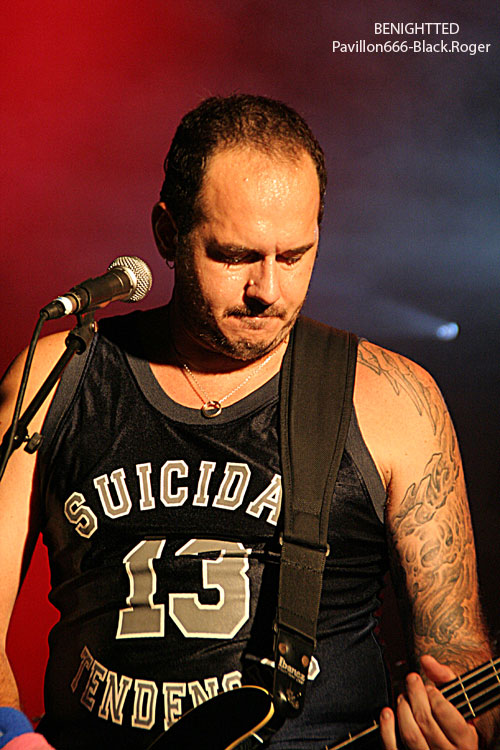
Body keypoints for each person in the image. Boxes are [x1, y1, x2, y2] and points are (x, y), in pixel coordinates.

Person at [0, 94, 497, 750]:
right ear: (167, 234)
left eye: (294, 256)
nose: (268, 290)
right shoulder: (56, 379)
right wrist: (12, 737)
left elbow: (459, 663)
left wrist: (462, 733)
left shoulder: (394, 401)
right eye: (235, 255)